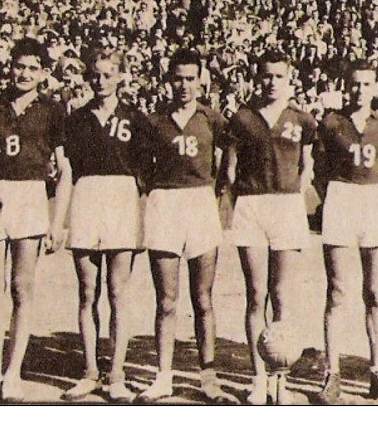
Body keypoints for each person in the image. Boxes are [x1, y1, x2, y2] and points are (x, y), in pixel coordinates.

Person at [0, 38, 72, 402]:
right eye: (19, 66)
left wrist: (58, 222)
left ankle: (13, 375)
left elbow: (65, 168)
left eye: (32, 68)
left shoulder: (53, 110)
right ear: (11, 67)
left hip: (30, 196)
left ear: (43, 73)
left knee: (23, 289)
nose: (24, 74)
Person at [136, 49, 238, 404]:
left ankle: (207, 378)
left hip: (200, 202)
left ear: (200, 80)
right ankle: (163, 376)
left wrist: (222, 191)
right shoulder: (152, 121)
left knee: (203, 298)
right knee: (166, 300)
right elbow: (140, 169)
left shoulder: (213, 119)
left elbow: (231, 157)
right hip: (165, 203)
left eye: (190, 78)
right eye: (178, 78)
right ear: (169, 80)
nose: (184, 85)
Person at [225, 49, 317, 405]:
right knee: (255, 294)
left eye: (279, 76)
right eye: (266, 75)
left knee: (283, 297)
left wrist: (296, 194)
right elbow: (230, 169)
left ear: (289, 77)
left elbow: (308, 166)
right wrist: (242, 200)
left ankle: (281, 376)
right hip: (252, 204)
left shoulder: (302, 120)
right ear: (256, 76)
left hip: (287, 204)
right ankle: (257, 378)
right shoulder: (242, 118)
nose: (272, 82)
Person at [312, 59, 378, 405]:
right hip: (341, 196)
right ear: (345, 86)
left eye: (366, 84)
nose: (359, 90)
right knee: (338, 290)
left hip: (373, 199)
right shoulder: (331, 123)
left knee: (376, 292)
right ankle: (331, 372)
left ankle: (377, 371)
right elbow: (318, 171)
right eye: (354, 84)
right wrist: (333, 197)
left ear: (375, 87)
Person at [60, 49, 147, 403]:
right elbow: (68, 170)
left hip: (121, 197)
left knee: (117, 292)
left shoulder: (134, 118)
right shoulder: (76, 119)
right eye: (95, 74)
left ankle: (117, 374)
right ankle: (90, 371)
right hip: (86, 196)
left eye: (108, 74)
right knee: (86, 291)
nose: (101, 81)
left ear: (120, 76)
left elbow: (144, 173)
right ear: (87, 76)